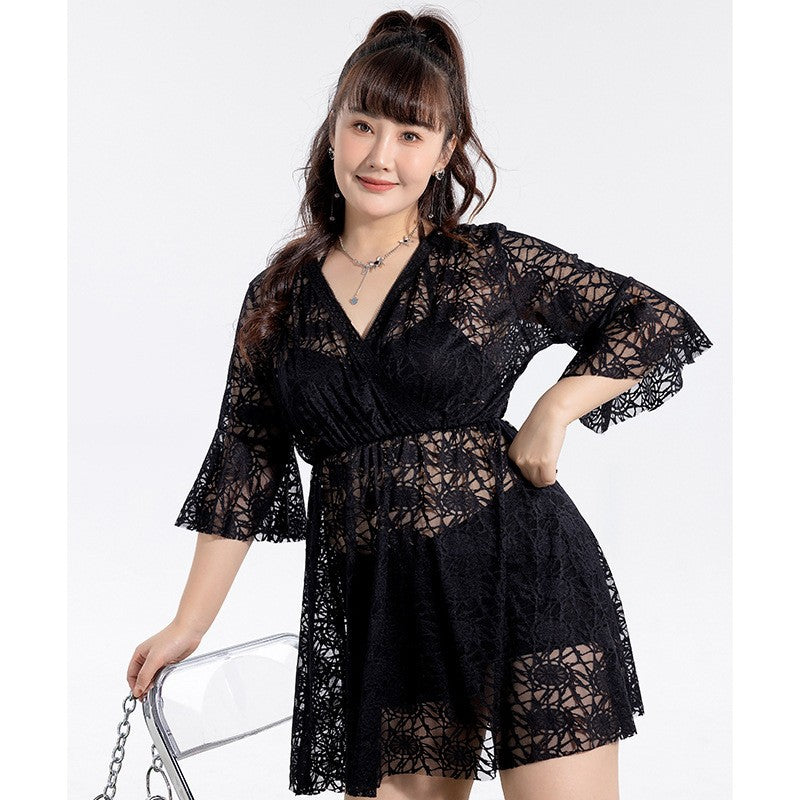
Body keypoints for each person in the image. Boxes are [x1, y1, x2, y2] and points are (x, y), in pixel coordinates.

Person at [127, 9, 714, 800]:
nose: (381, 155)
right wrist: (188, 625)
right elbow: (245, 459)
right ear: (332, 133)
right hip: (388, 617)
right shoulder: (279, 298)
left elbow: (652, 318)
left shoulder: (485, 265)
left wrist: (556, 408)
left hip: (525, 583)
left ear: (444, 152)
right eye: (363, 125)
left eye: (411, 134)